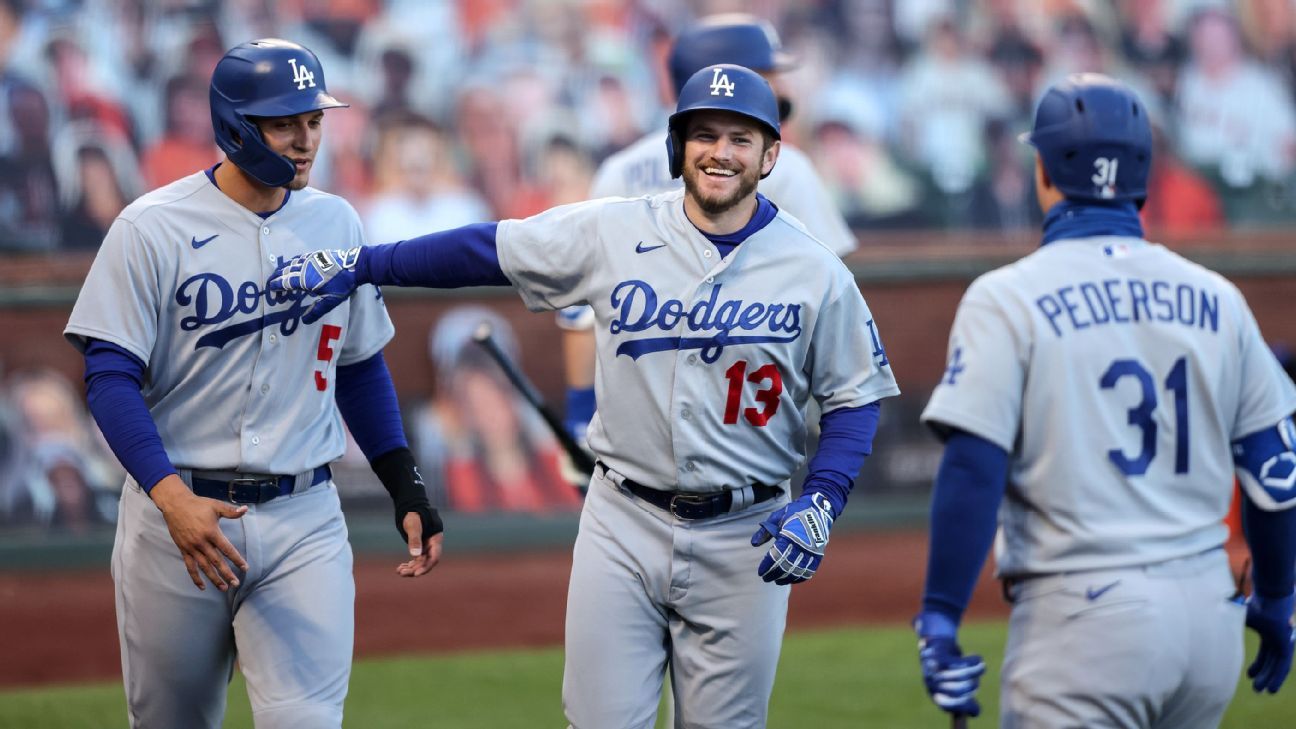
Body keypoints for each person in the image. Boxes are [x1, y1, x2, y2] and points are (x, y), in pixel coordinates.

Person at [271, 63, 899, 728]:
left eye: (741, 139)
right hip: (624, 518)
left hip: (748, 531)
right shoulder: (613, 229)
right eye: (704, 134)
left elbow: (854, 395)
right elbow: (488, 249)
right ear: (676, 146)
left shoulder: (815, 269)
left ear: (771, 155)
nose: (721, 152)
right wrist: (363, 263)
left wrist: (824, 499)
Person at [63, 39, 443, 729]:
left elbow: (357, 364)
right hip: (176, 514)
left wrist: (403, 480)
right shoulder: (152, 227)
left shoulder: (336, 222)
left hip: (305, 515)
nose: (305, 140)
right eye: (284, 123)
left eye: (315, 120)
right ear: (236, 123)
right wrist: (169, 495)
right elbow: (108, 375)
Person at [913, 72, 1296, 728]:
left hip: (1084, 617)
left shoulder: (1006, 296)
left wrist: (941, 615)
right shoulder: (1218, 298)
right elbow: (1274, 472)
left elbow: (975, 468)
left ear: (1045, 170)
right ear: (1143, 172)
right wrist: (1280, 594)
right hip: (1208, 625)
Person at [559, 13, 859, 444]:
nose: (784, 86)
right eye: (770, 73)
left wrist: (578, 414)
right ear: (729, 79)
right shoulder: (786, 168)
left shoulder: (619, 171)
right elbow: (837, 307)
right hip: (754, 416)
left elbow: (581, 312)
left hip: (643, 423)